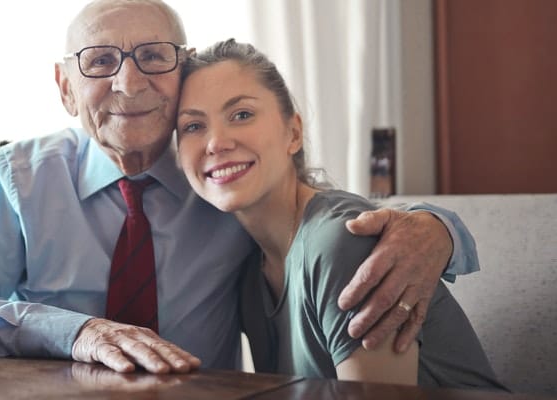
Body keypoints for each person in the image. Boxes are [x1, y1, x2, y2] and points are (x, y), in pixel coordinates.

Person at [0, 0, 479, 374]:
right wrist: (75, 332)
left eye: (152, 56)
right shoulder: (20, 180)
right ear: (65, 88)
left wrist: (438, 229)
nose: (128, 80)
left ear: (180, 75)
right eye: (98, 61)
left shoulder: (221, 178)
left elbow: (324, 220)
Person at [175, 39, 506, 389]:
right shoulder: (250, 273)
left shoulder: (342, 242)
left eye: (241, 115)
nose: (216, 142)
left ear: (294, 132)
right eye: (193, 126)